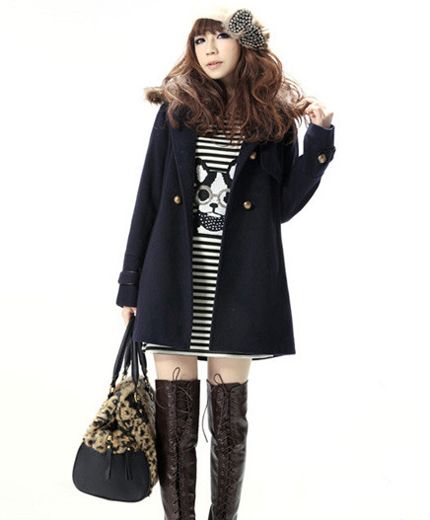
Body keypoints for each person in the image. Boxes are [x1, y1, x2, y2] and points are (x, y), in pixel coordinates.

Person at [116, 5, 336, 519]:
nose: (209, 49)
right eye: (199, 40)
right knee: (174, 430)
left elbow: (283, 206)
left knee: (229, 427)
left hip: (238, 287)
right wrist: (130, 283)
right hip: (173, 282)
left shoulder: (272, 119)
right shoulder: (176, 111)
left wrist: (319, 141)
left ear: (245, 43)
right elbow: (148, 198)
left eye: (219, 37)